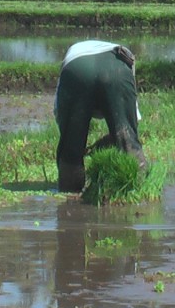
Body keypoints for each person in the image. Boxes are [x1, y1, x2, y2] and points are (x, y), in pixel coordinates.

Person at [54, 40, 146, 193]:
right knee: (129, 143)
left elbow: (61, 116)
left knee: (70, 151)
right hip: (116, 69)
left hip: (76, 69)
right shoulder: (125, 65)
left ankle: (69, 200)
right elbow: (129, 125)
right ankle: (139, 191)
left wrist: (74, 142)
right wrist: (119, 140)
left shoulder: (73, 55)